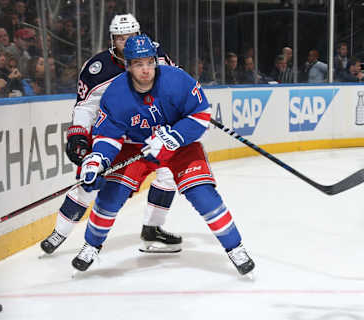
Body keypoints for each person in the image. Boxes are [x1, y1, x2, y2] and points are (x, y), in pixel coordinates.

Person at [71, 34, 255, 277]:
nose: (145, 70)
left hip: (179, 145)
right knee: (110, 197)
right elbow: (107, 136)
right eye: (138, 64)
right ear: (128, 66)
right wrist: (97, 159)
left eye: (149, 62)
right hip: (135, 146)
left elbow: (201, 115)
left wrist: (174, 136)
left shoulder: (177, 80)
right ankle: (91, 246)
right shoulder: (115, 94)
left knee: (203, 195)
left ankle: (235, 248)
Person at [40, 14, 182, 256]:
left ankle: (152, 230)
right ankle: (60, 232)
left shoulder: (156, 56)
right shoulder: (97, 68)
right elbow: (85, 106)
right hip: (113, 137)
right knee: (88, 183)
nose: (126, 44)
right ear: (112, 40)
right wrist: (78, 136)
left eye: (131, 38)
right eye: (120, 39)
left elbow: (176, 82)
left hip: (149, 134)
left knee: (168, 174)